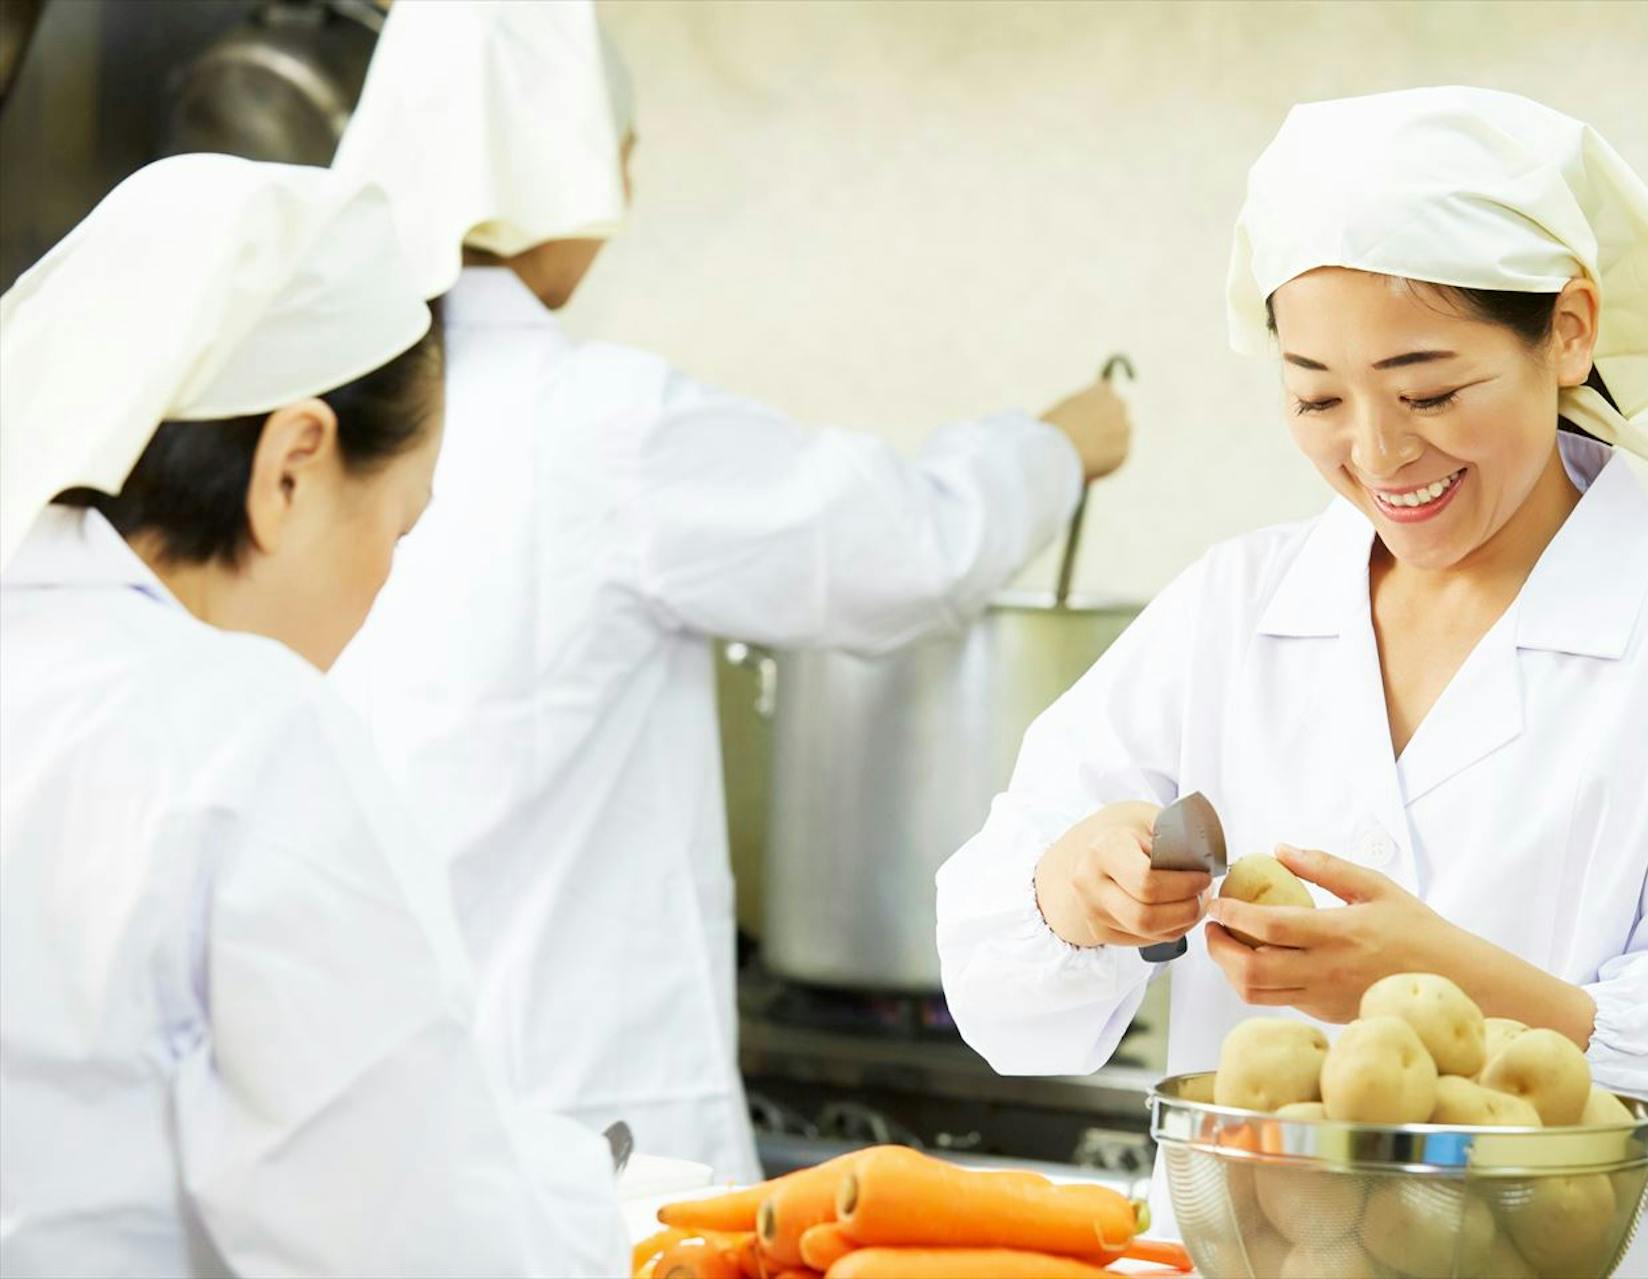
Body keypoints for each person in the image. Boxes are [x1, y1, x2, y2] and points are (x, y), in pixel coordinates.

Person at [937, 87, 1648, 1278]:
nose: (1374, 452)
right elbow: (1007, 997)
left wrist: (1435, 977)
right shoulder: (1231, 608)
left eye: (1427, 390)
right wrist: (1075, 890)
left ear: (1568, 329)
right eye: (1316, 394)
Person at [324, 0, 1131, 1180]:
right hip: (576, 1110)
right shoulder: (593, 422)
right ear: (565, 172)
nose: (631, 175)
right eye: (618, 149)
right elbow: (901, 549)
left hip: (374, 1103)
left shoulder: (337, 414)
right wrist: (1057, 447)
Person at [0, 155, 625, 1276]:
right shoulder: (238, 732)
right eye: (396, 527)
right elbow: (405, 1239)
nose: (382, 582)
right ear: (292, 467)